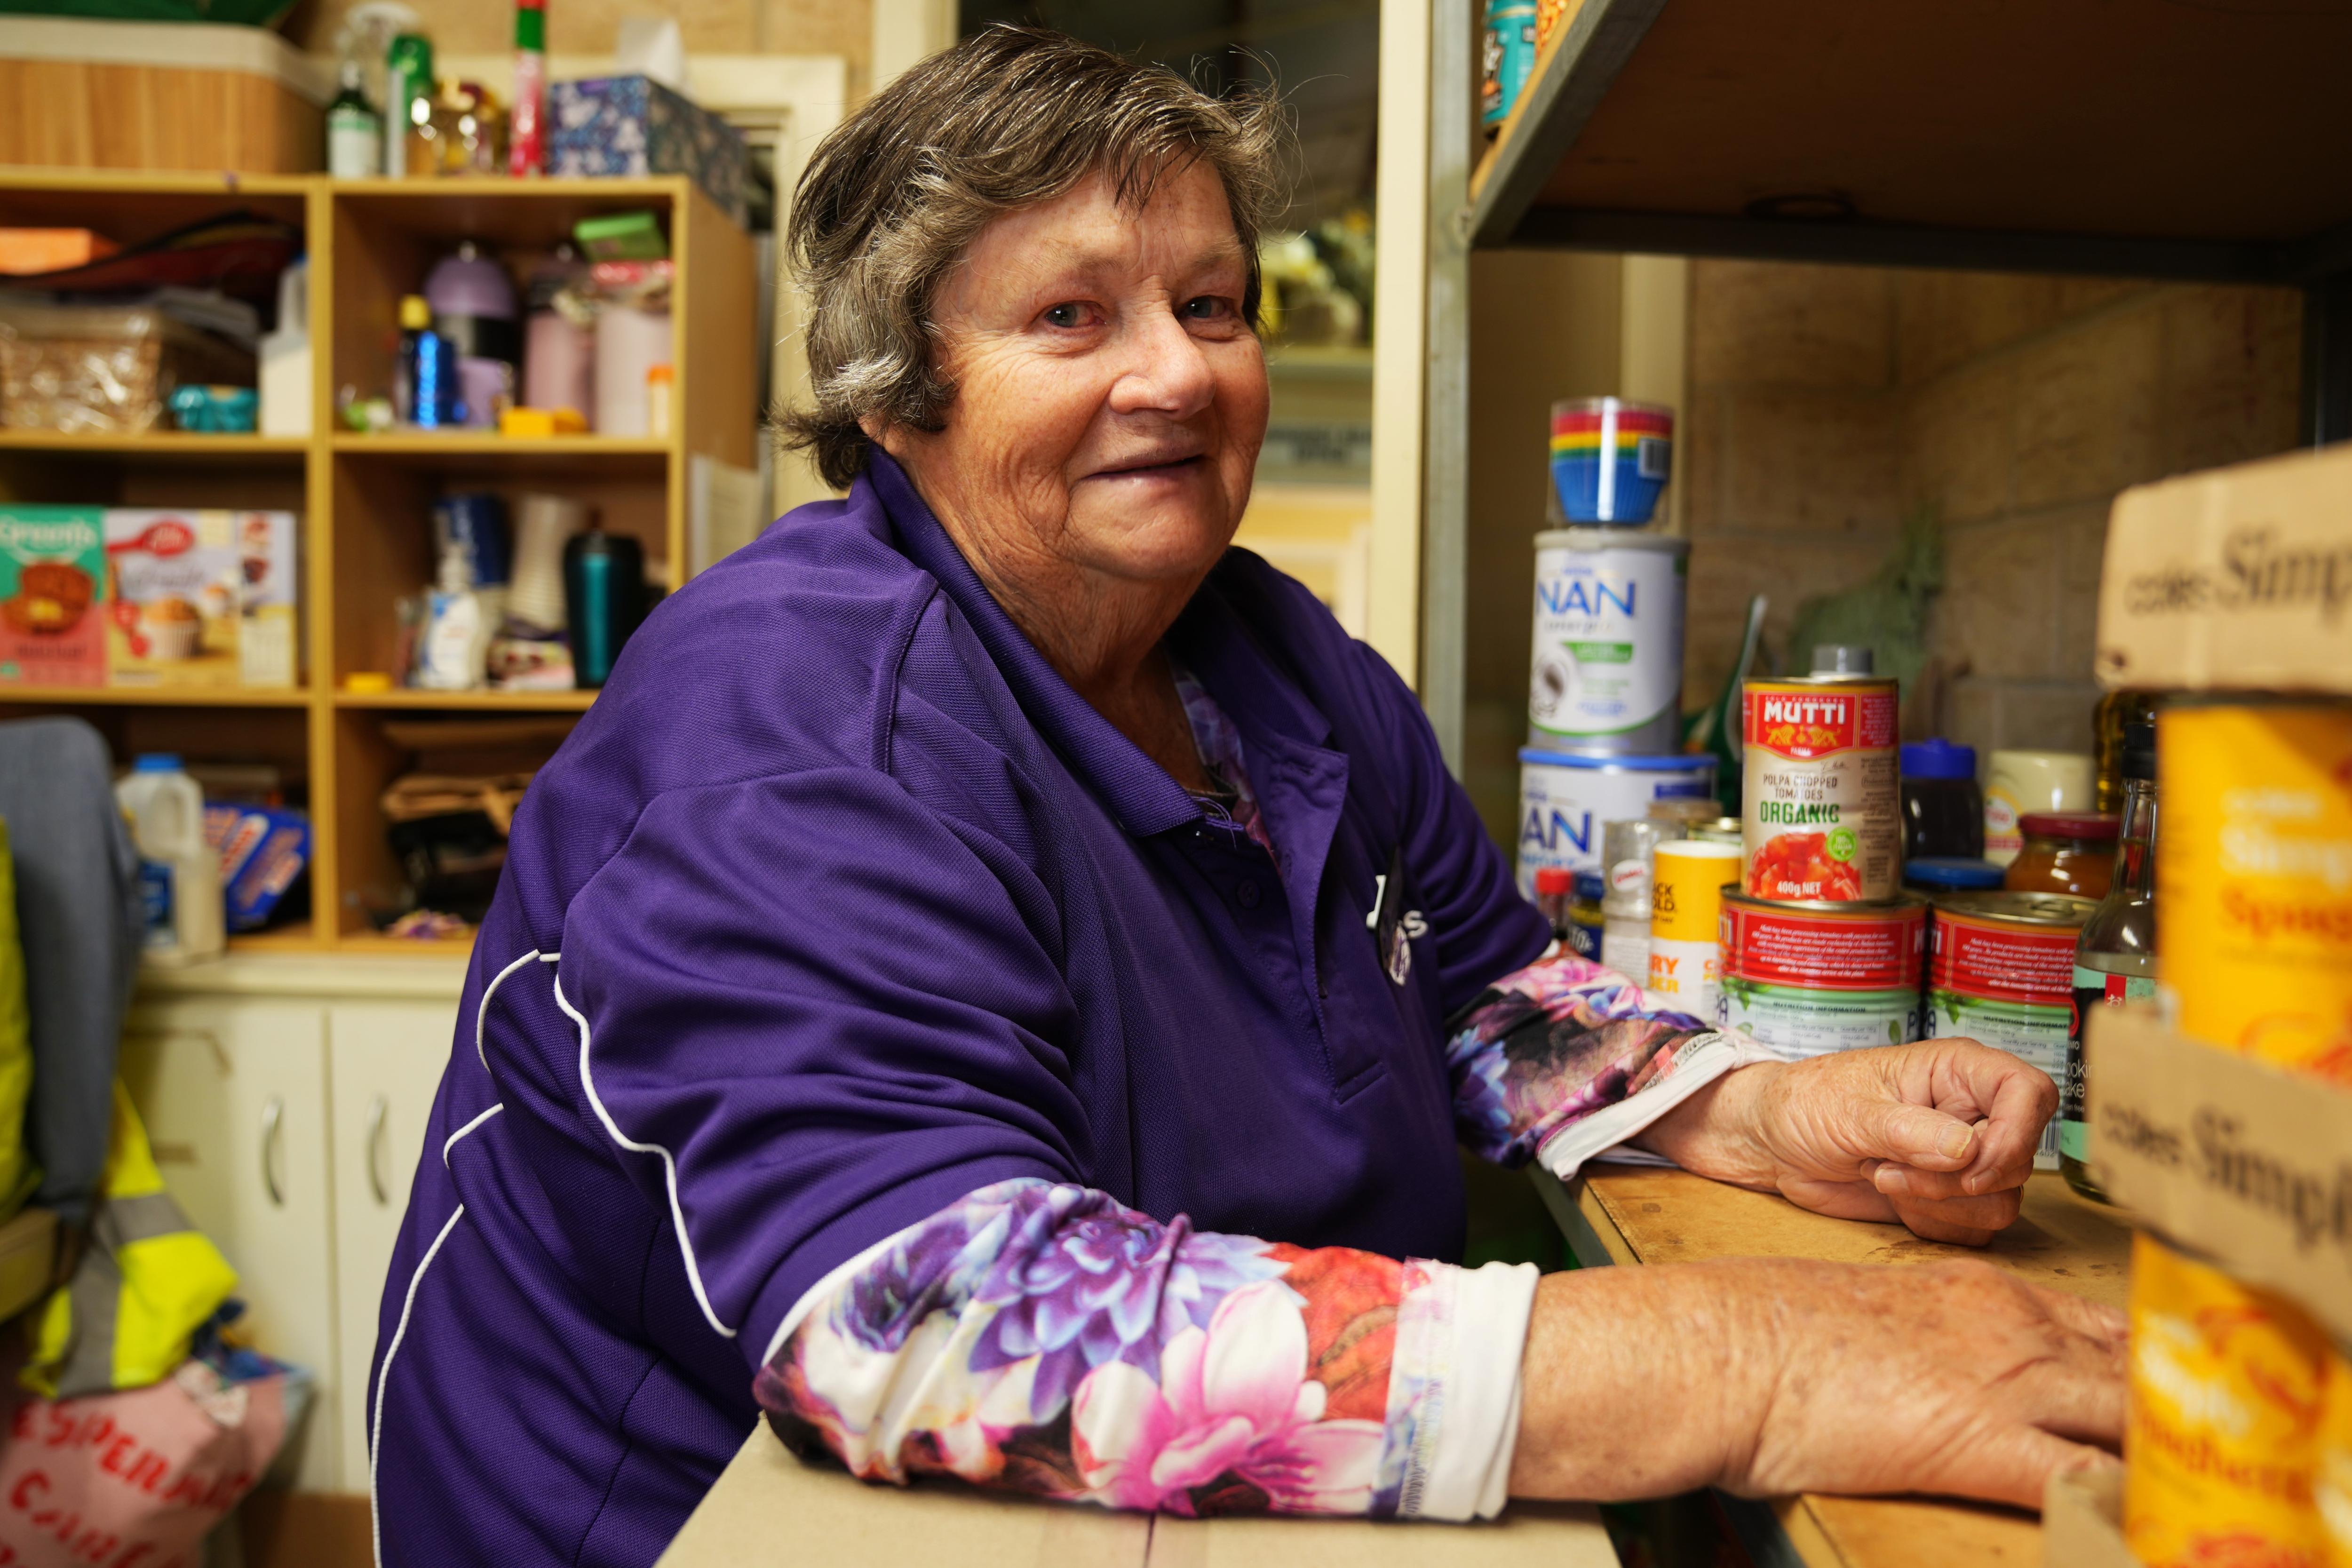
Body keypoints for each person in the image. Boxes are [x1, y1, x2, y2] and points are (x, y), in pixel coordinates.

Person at [370, 27, 2124, 1563]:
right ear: (899, 395)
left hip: (1134, 1498)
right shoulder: (793, 715)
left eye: (1211, 305)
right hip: (686, 1522)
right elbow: (935, 1318)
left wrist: (1759, 1109)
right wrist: (1763, 1361)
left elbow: (1486, 992)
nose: (1179, 373)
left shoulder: (1273, 652)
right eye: (1071, 316)